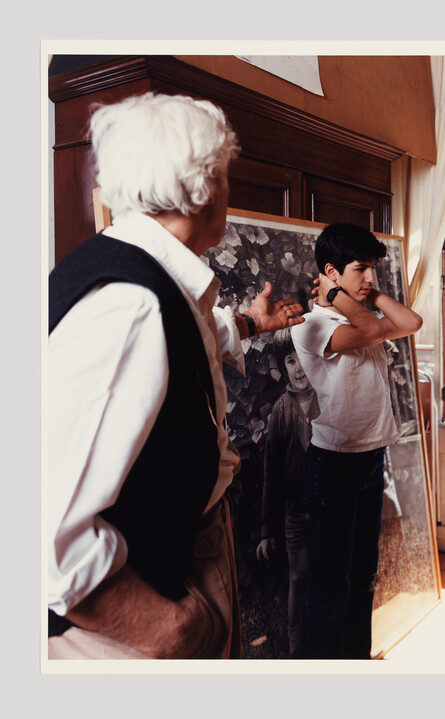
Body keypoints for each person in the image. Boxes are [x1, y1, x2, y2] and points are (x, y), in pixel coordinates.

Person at [47, 92, 305, 659]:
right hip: (133, 622)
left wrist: (249, 323)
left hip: (180, 557)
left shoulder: (145, 275)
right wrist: (167, 627)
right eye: (227, 174)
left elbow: (191, 338)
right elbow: (43, 529)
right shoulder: (130, 306)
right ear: (209, 184)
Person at [291, 222, 423, 659]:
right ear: (330, 271)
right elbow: (372, 330)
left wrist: (366, 291)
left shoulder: (362, 314)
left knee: (363, 577)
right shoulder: (312, 323)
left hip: (371, 457)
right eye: (360, 269)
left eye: (373, 268)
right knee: (331, 586)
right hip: (333, 464)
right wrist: (336, 296)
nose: (370, 278)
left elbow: (412, 322)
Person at [256, 332, 319, 659]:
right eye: (290, 361)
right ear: (284, 367)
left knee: (326, 576)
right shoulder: (280, 412)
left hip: (326, 509)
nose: (298, 368)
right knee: (298, 576)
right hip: (295, 514)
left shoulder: (328, 399)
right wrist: (267, 529)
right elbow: (272, 474)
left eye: (302, 358)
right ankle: (297, 649)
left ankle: (323, 639)